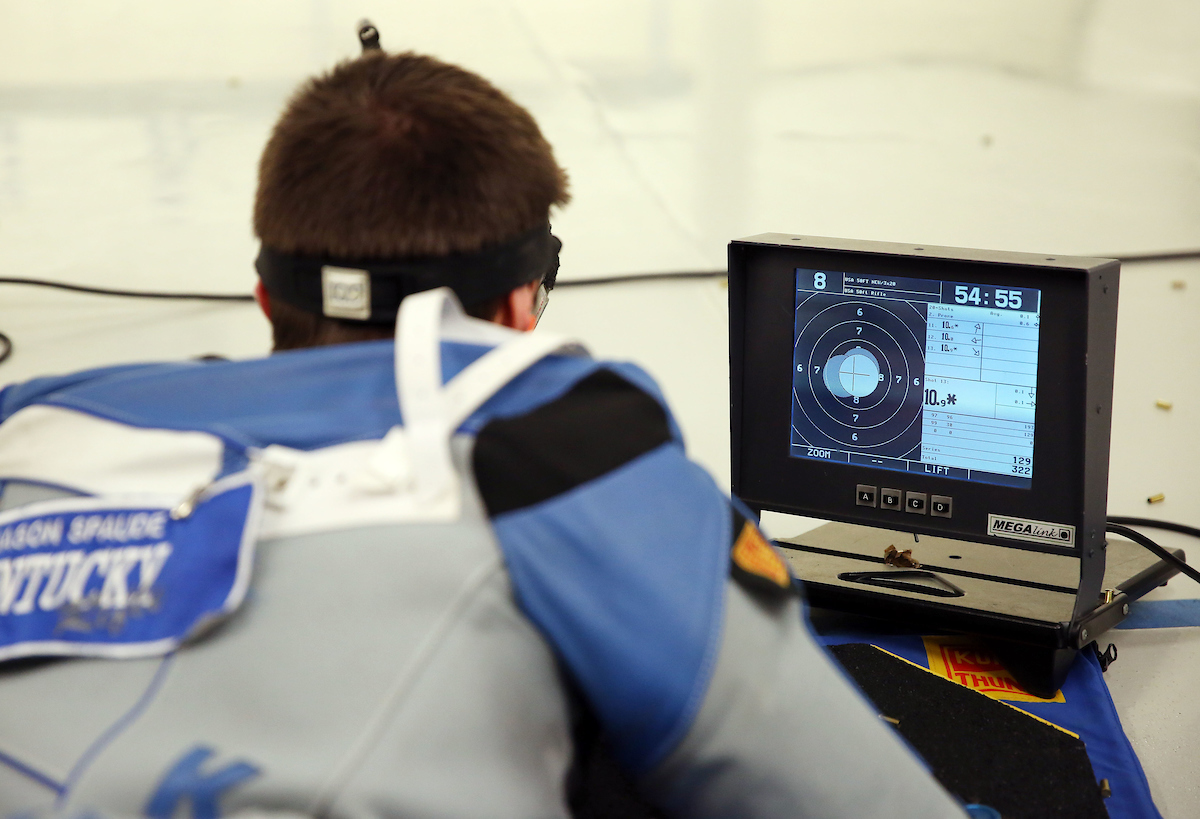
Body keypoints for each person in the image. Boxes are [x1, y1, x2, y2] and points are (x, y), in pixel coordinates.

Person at [0, 49, 971, 818]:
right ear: (517, 305)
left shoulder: (33, 423)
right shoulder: (564, 451)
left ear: (265, 296)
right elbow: (836, 790)